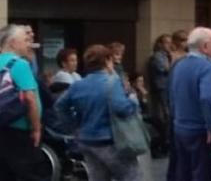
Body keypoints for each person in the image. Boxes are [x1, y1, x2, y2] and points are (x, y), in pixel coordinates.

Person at [53, 44, 143, 181]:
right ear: (107, 60)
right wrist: (133, 99)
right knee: (131, 176)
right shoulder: (112, 82)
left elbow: (60, 106)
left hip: (87, 140)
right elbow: (122, 108)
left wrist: (74, 127)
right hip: (110, 140)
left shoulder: (78, 85)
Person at [0, 24, 46, 181]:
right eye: (25, 40)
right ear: (12, 43)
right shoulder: (20, 64)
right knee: (29, 174)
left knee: (3, 174)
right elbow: (30, 99)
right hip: (21, 130)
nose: (28, 44)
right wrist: (36, 128)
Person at [168, 26, 211, 181]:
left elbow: (172, 96)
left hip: (180, 127)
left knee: (183, 172)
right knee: (202, 173)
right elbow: (207, 98)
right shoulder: (207, 67)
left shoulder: (179, 65)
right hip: (200, 130)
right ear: (205, 46)